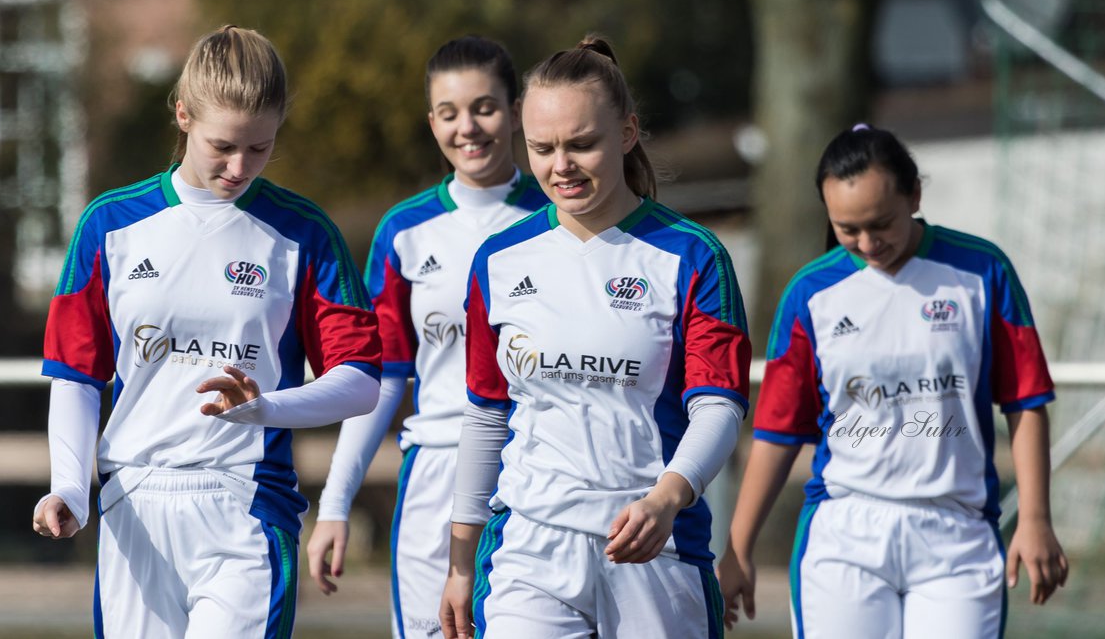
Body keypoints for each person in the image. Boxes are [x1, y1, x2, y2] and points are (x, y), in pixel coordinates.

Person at [30, 25, 383, 639]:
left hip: (246, 504)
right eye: (224, 145)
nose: (240, 167)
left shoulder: (303, 232)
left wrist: (265, 408)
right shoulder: (110, 224)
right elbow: (75, 374)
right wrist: (68, 486)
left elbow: (359, 381)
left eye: (261, 148)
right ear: (183, 113)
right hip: (132, 503)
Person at [438, 36, 752, 639]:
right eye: (542, 148)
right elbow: (485, 414)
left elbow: (718, 407)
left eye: (582, 144)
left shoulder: (692, 256)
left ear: (628, 132)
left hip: (653, 548)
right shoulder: (499, 259)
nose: (562, 166)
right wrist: (459, 560)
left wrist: (667, 498)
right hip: (530, 544)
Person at [718, 124, 1068, 638]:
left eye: (880, 224)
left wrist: (1035, 518)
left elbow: (1026, 401)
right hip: (844, 538)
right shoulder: (811, 293)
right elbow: (777, 431)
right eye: (846, 229)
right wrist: (739, 548)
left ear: (915, 195)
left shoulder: (981, 271)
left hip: (957, 536)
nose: (866, 242)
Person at [305, 35, 548, 637]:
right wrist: (336, 503)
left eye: (485, 107)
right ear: (431, 121)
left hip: (540, 469)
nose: (468, 127)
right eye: (448, 113)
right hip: (436, 472)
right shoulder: (405, 231)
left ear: (516, 111)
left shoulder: (558, 217)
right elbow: (380, 382)